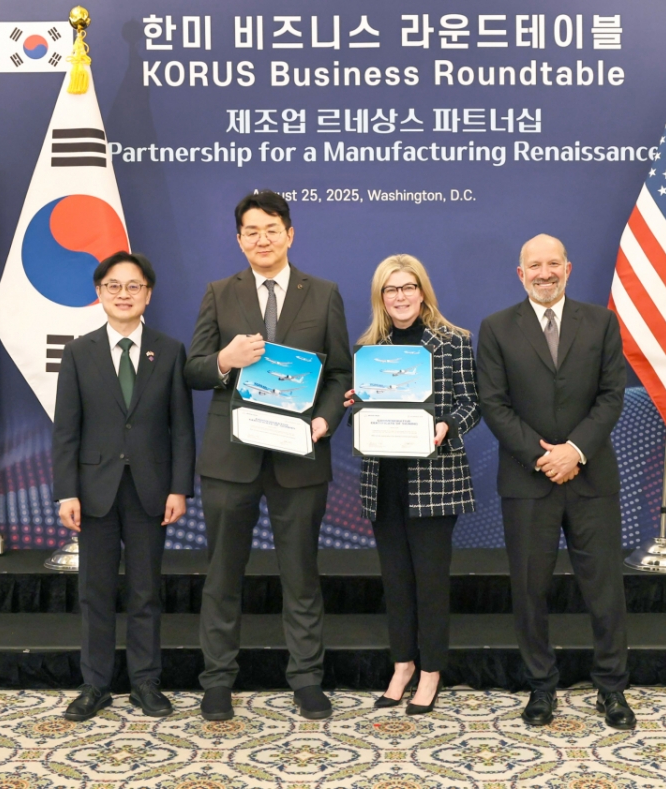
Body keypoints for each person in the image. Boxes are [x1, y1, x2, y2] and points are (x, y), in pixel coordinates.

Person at [186, 190, 352, 721]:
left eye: (272, 229)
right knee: (222, 575)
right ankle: (217, 681)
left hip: (300, 456)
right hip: (230, 459)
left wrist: (326, 418)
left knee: (301, 575)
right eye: (252, 231)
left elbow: (341, 372)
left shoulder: (323, 294)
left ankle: (306, 679)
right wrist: (225, 359)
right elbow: (193, 369)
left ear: (290, 234)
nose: (262, 239)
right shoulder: (219, 293)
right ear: (239, 240)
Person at [476, 234, 635, 730]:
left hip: (592, 477)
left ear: (568, 268)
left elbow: (611, 395)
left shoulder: (602, 322)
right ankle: (541, 687)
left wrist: (576, 451)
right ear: (520, 274)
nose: (544, 273)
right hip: (528, 480)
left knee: (605, 589)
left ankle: (612, 688)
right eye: (534, 266)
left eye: (552, 264)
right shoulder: (496, 328)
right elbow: (493, 403)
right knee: (529, 590)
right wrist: (543, 457)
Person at [52, 251, 196, 722]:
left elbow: (182, 428)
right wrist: (66, 491)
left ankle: (145, 682)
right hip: (93, 491)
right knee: (94, 592)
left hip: (151, 490)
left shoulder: (169, 350)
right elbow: (66, 430)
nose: (123, 294)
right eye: (113, 285)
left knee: (145, 591)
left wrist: (179, 488)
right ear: (99, 293)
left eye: (134, 286)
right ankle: (94, 685)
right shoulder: (79, 352)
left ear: (148, 294)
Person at [344, 254, 479, 715]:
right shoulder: (369, 348)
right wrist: (356, 407)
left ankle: (431, 671)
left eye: (407, 287)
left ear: (422, 292)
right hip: (384, 480)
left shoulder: (454, 341)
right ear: (380, 297)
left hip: (435, 478)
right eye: (391, 289)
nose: (400, 297)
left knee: (431, 582)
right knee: (396, 581)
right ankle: (402, 665)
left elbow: (472, 404)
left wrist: (446, 426)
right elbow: (361, 418)